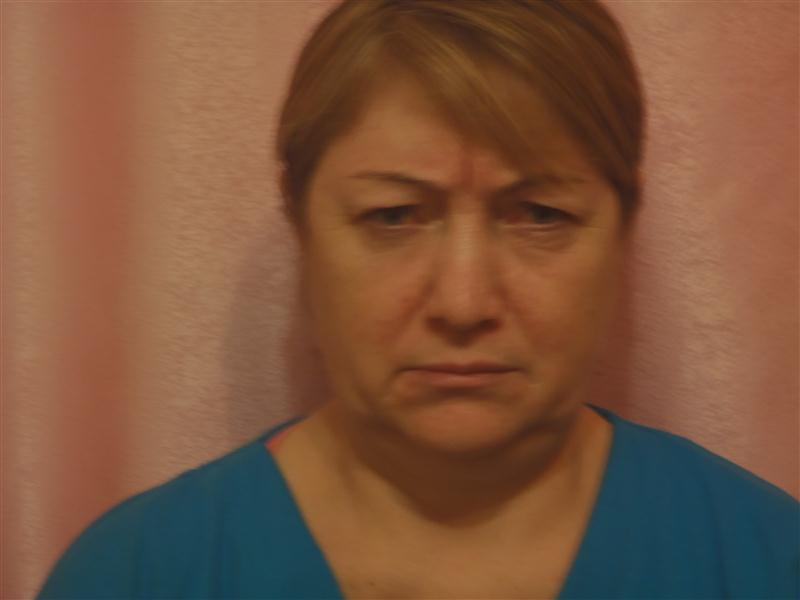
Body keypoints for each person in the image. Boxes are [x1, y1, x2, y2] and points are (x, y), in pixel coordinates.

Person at [38, 1, 798, 599]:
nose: (463, 303)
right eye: (394, 216)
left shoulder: (768, 560)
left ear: (623, 229)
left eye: (540, 215)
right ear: (302, 227)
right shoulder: (134, 574)